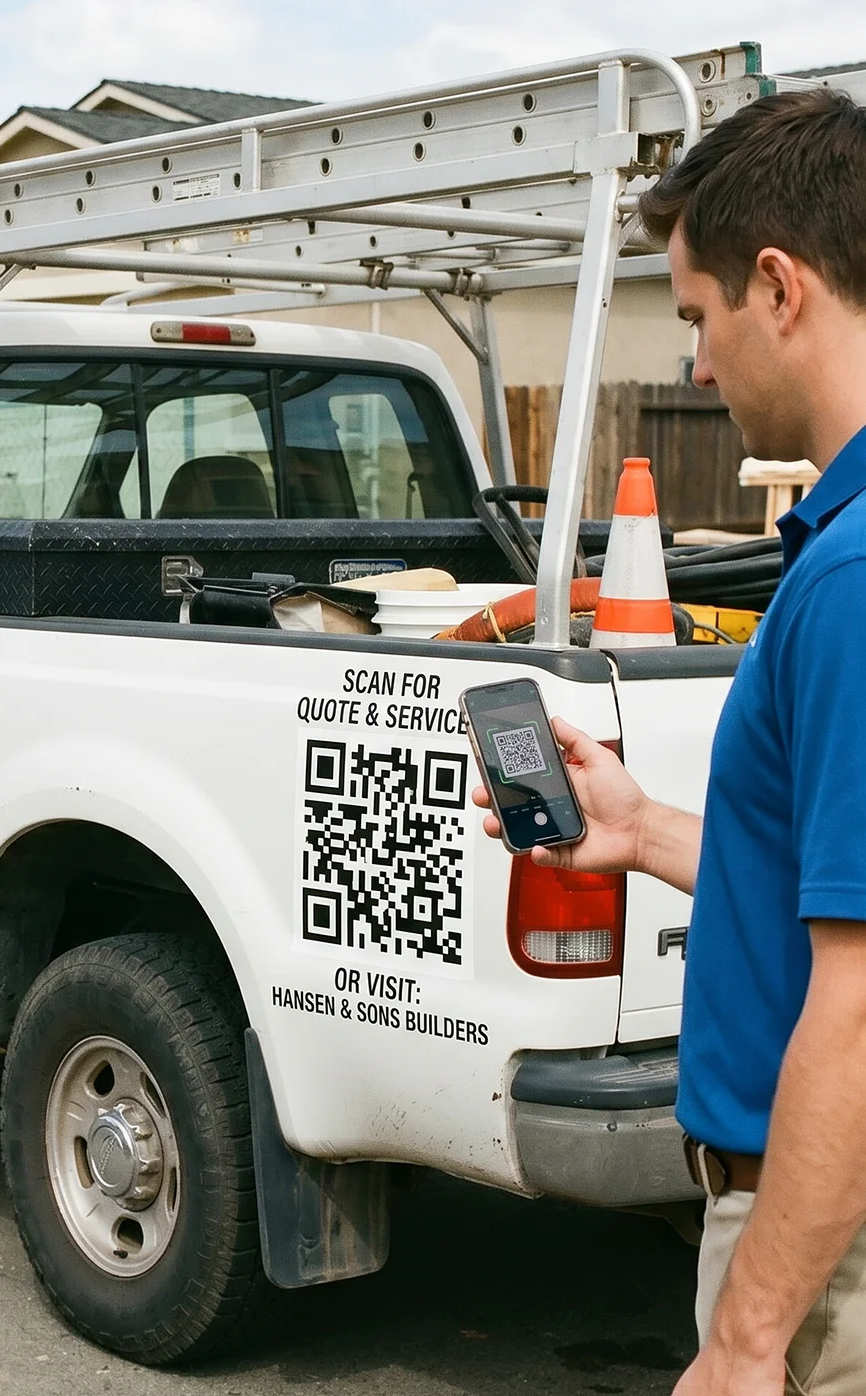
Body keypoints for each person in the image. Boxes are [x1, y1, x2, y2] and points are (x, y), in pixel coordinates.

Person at [473, 87, 866, 1395]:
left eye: (696, 317)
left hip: (822, 1258)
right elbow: (820, 878)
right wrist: (637, 831)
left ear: (780, 286)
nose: (696, 366)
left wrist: (751, 1339)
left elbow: (859, 1007)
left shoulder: (856, 577)